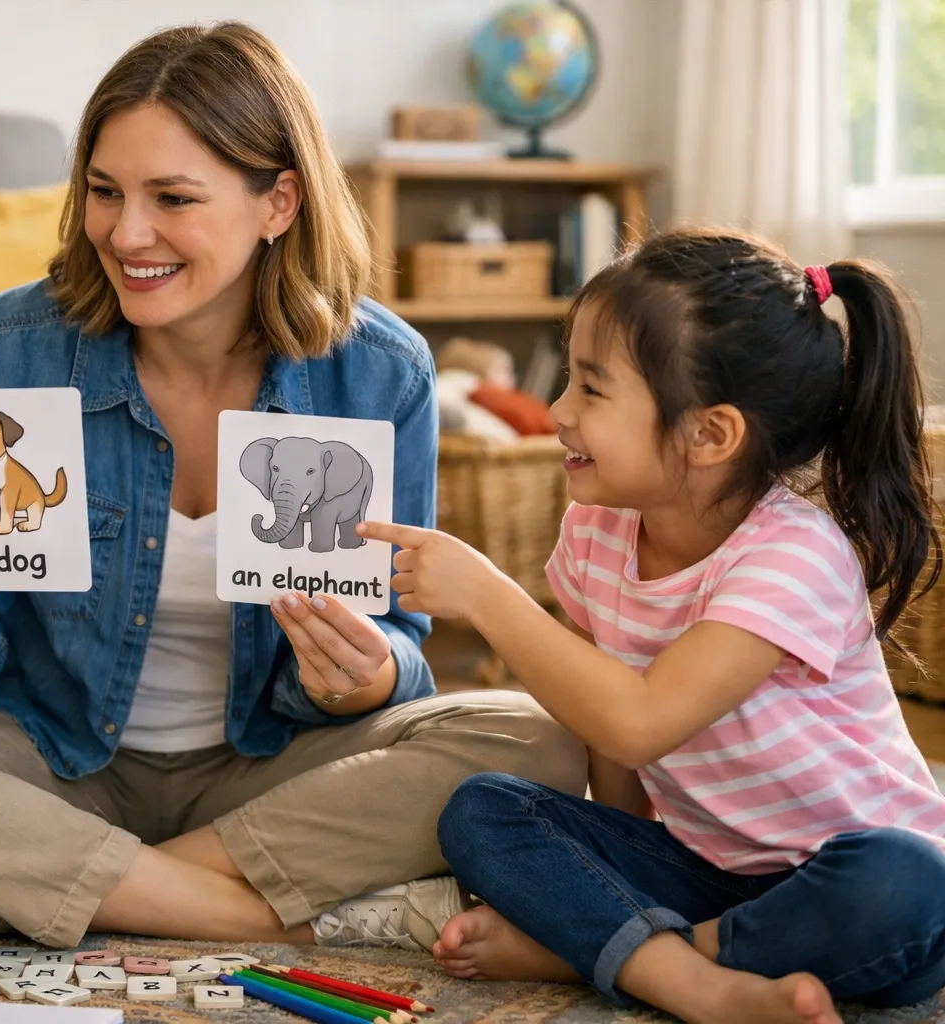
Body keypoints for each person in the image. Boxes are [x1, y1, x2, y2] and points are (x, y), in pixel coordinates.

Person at [0, 22, 585, 955]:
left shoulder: (380, 371)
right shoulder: (3, 351)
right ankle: (259, 910)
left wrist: (364, 676)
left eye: (173, 198)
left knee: (540, 743)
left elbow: (397, 644)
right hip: (50, 764)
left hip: (268, 770)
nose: (126, 233)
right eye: (104, 191)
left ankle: (22, 883)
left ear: (278, 202)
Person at [360, 228, 945, 1023]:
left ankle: (639, 958)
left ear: (711, 434)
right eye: (568, 377)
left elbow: (639, 721)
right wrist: (616, 861)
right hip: (709, 868)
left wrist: (489, 597)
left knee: (910, 881)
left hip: (850, 882)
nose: (558, 411)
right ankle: (674, 959)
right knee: (484, 809)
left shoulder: (792, 556)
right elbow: (609, 733)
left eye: (592, 389)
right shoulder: (596, 531)